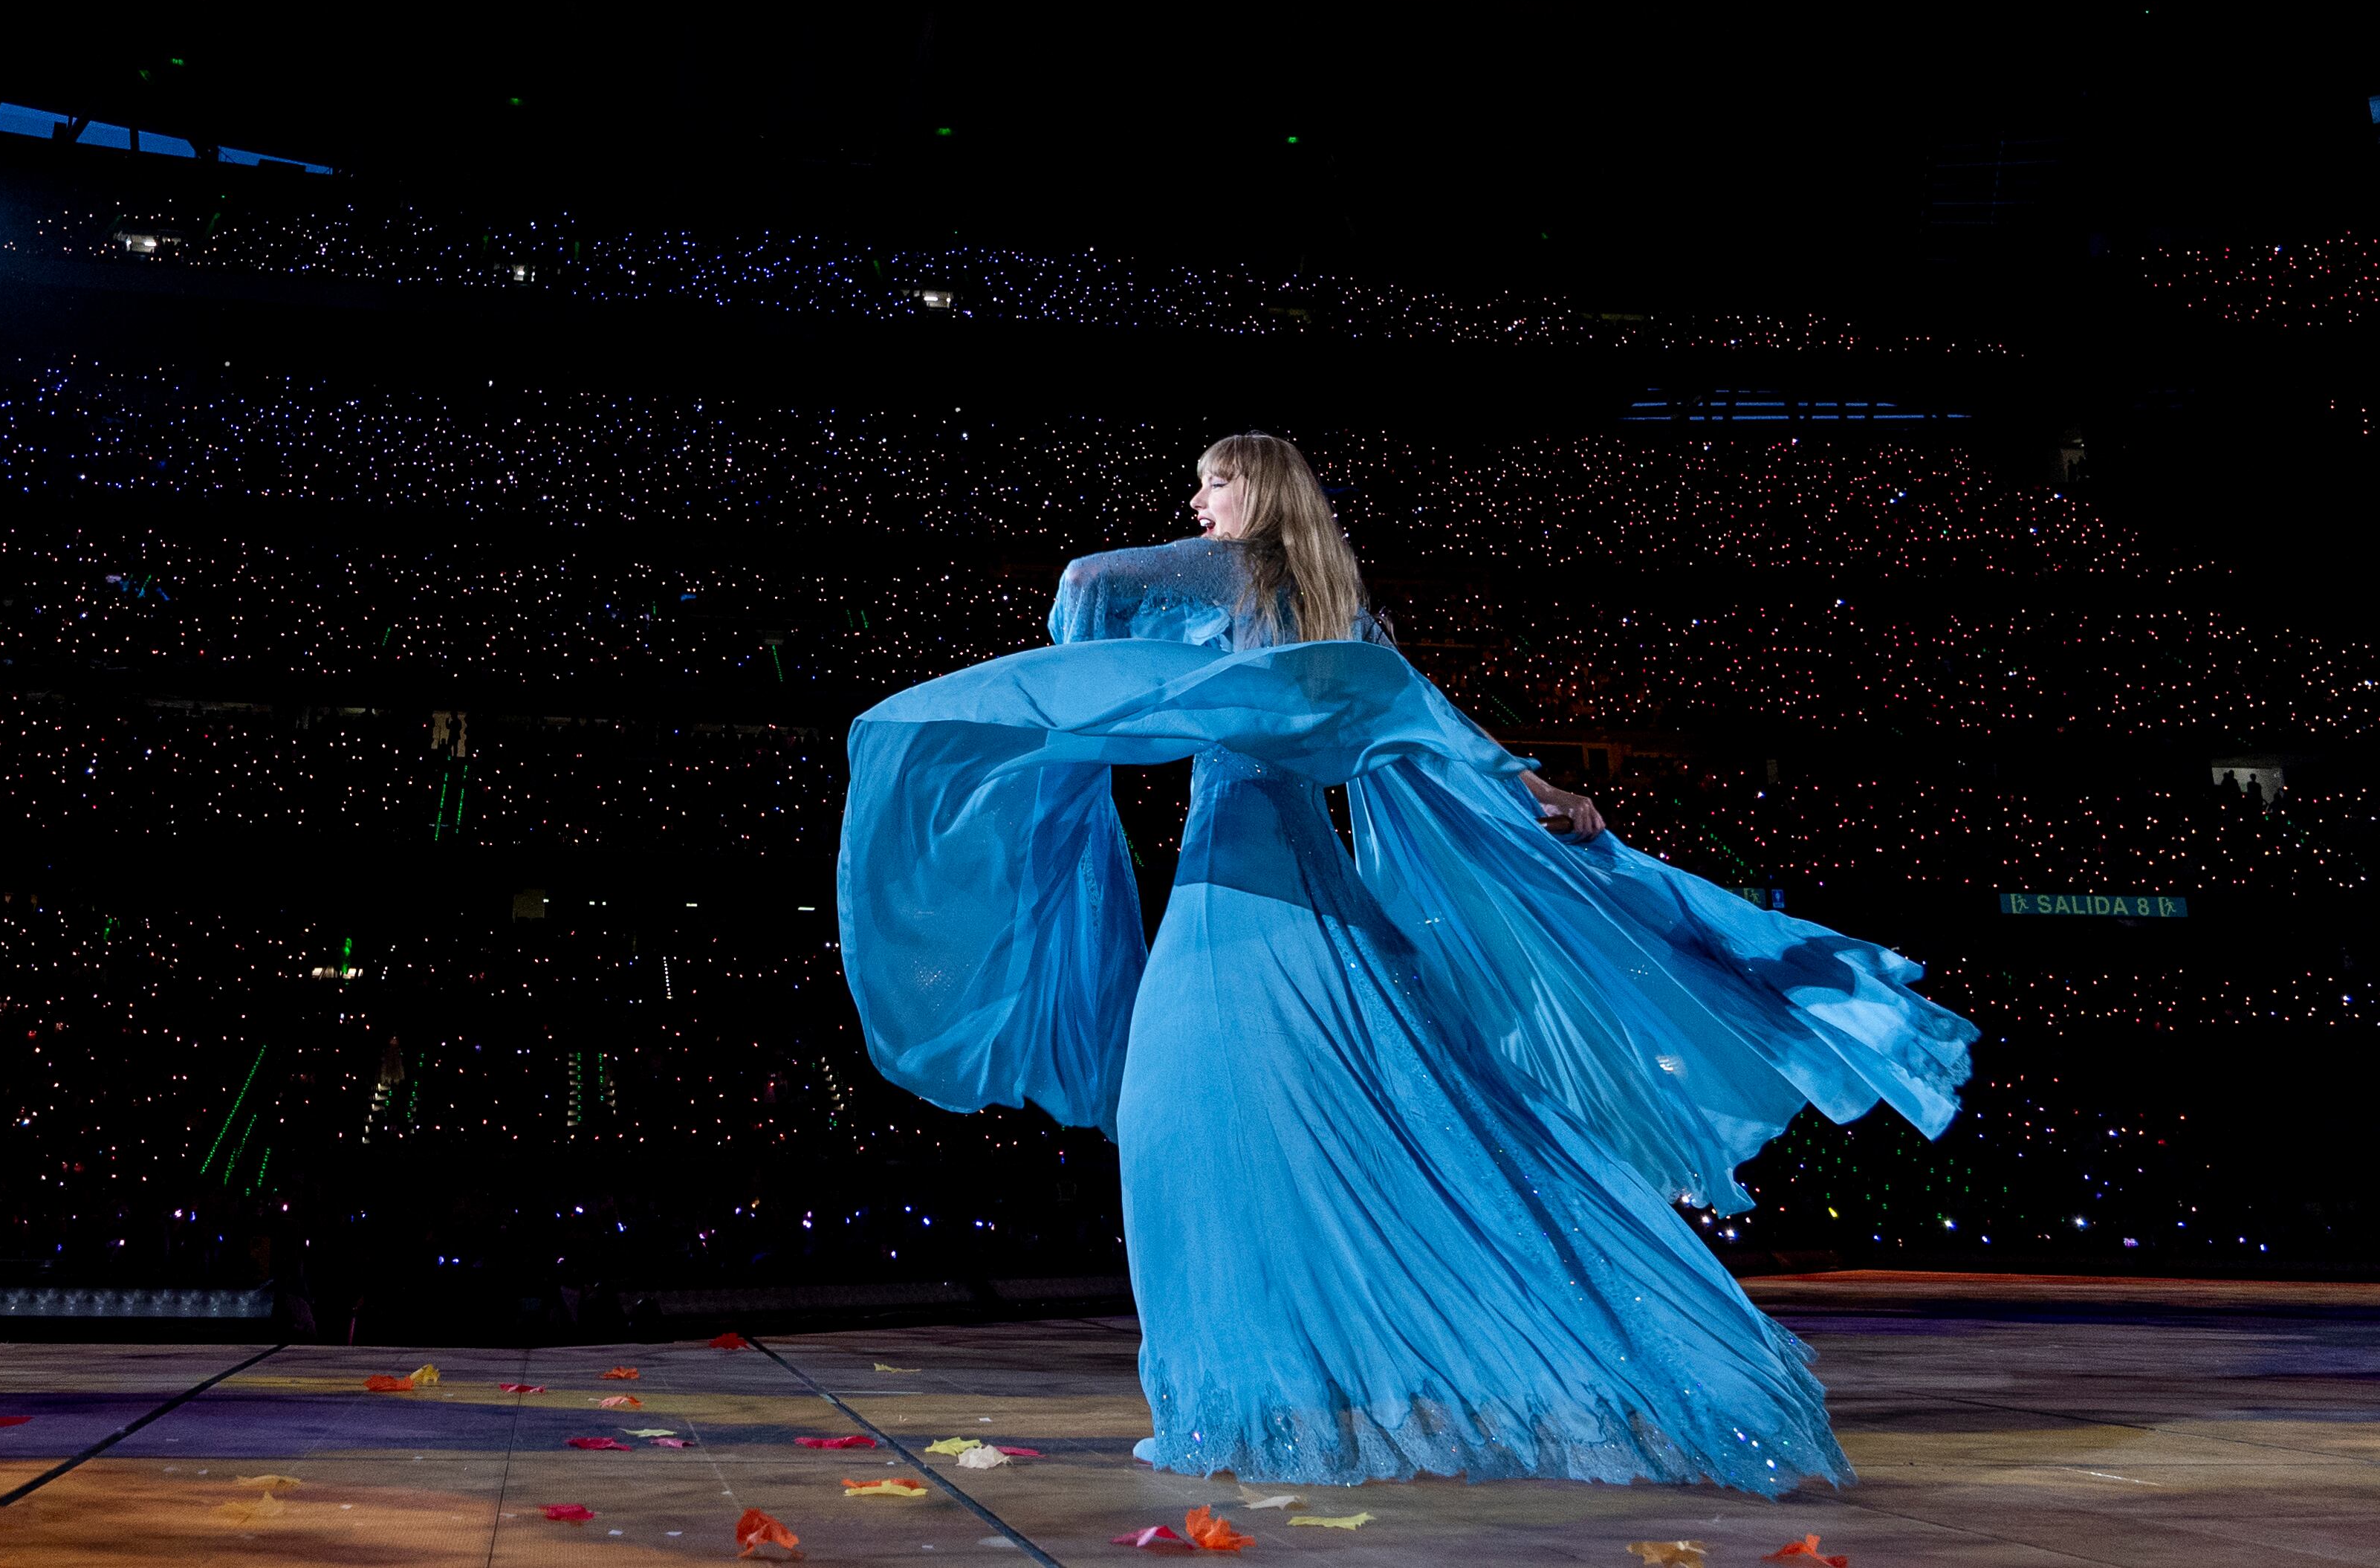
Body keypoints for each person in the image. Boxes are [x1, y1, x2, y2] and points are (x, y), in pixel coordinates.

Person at [837, 431, 1974, 1494]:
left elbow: (1093, 579)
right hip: (1276, 885)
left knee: (1207, 1130)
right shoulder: (1337, 617)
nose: (1195, 504)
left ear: (1259, 494)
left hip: (1241, 902)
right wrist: (1536, 787)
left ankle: (1259, 1398)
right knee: (1366, 1121)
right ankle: (1307, 1383)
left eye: (1212, 484)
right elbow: (1436, 724)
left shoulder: (1246, 588)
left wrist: (1133, 654)